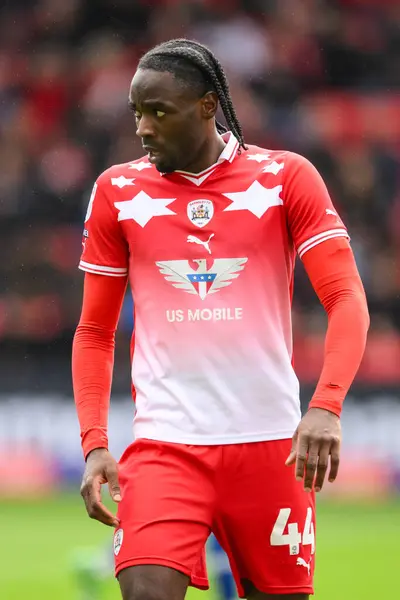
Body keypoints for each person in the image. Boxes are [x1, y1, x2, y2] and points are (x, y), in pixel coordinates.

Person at [72, 38, 369, 600]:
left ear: (208, 107)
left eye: (159, 111)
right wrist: (94, 444)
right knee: (144, 591)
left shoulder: (285, 178)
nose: (143, 127)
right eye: (137, 112)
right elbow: (93, 331)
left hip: (272, 449)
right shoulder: (118, 191)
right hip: (166, 448)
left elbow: (346, 297)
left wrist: (326, 407)